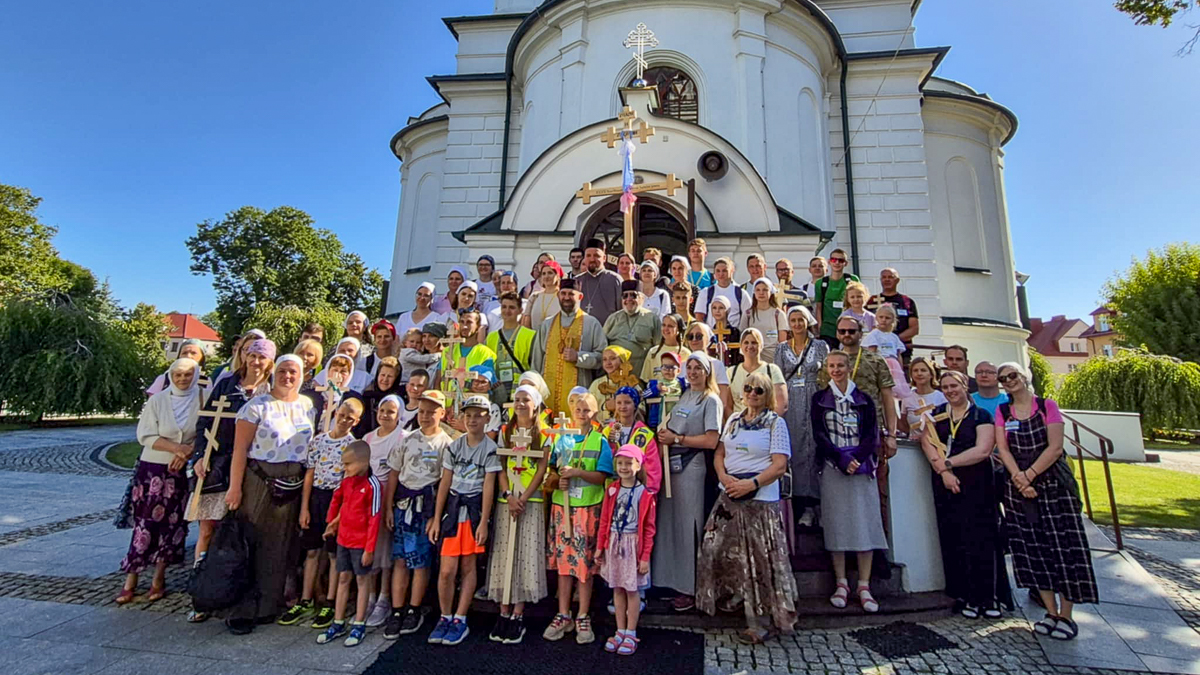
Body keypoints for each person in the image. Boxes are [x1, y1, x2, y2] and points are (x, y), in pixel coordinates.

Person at [994, 362, 1097, 641]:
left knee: (1064, 548)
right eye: (1003, 378)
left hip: (1052, 486)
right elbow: (1002, 447)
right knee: (1031, 550)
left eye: (1012, 375)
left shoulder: (1046, 406)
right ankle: (1050, 611)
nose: (1008, 381)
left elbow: (1055, 447)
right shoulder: (1003, 411)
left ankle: (1067, 614)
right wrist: (1019, 478)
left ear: (1025, 376)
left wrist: (1029, 475)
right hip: (1019, 489)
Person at [697, 371, 796, 644]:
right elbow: (720, 452)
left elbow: (779, 465)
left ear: (767, 396)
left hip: (759, 500)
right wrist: (724, 477)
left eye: (759, 390)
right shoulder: (733, 420)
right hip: (729, 494)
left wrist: (751, 484)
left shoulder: (775, 423)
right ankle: (729, 600)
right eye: (749, 388)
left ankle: (760, 623)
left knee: (758, 563)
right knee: (713, 547)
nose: (752, 393)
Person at [223, 354, 316, 635]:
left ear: (302, 376)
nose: (289, 376)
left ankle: (267, 606)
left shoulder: (307, 406)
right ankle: (242, 607)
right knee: (252, 542)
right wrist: (235, 487)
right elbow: (240, 450)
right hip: (259, 479)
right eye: (284, 371)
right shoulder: (256, 407)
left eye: (294, 372)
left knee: (279, 546)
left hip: (292, 482)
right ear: (275, 373)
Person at [187, 338, 274, 622]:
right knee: (209, 529)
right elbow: (205, 421)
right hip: (219, 464)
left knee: (246, 533)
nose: (256, 362)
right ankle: (202, 592)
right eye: (252, 356)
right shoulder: (227, 384)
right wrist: (201, 455)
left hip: (255, 470)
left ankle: (240, 592)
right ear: (245, 356)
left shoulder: (272, 390)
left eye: (262, 358)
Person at [919, 370, 1011, 619]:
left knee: (982, 537)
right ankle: (965, 595)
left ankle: (989, 597)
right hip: (947, 483)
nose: (950, 391)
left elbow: (982, 449)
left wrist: (949, 464)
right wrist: (942, 471)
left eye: (954, 386)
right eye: (946, 387)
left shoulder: (980, 414)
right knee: (954, 537)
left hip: (976, 480)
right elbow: (927, 440)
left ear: (964, 386)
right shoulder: (937, 414)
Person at [116, 358, 201, 605]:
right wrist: (177, 448)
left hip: (180, 471)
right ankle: (131, 579)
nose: (183, 379)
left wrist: (187, 453)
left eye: (188, 375)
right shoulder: (158, 400)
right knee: (145, 523)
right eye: (178, 375)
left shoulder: (203, 398)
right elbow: (145, 434)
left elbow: (207, 431)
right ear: (170, 376)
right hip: (153, 468)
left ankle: (158, 579)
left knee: (172, 526)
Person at [812, 351, 887, 614]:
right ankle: (841, 582)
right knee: (837, 524)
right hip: (834, 467)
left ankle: (864, 585)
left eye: (840, 365)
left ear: (848, 368)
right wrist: (840, 458)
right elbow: (819, 434)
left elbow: (871, 434)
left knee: (865, 523)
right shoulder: (820, 399)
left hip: (861, 466)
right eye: (831, 366)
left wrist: (856, 457)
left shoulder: (863, 399)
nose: (836, 370)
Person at [427, 394, 501, 646]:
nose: (472, 420)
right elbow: (445, 482)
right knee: (447, 569)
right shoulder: (454, 447)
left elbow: (489, 487)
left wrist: (483, 522)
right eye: (468, 415)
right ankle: (445, 615)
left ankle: (460, 617)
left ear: (487, 418)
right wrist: (436, 518)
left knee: (469, 566)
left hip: (473, 512)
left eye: (478, 415)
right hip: (453, 510)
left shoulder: (491, 450)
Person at [281, 398, 362, 628]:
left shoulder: (352, 446)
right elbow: (309, 474)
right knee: (312, 552)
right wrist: (304, 507)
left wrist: (338, 516)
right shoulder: (318, 441)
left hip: (337, 501)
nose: (345, 420)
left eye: (350, 418)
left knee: (334, 555)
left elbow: (349, 482)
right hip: (317, 497)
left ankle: (330, 600)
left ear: (356, 422)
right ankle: (306, 598)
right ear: (336, 413)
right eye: (342, 415)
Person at [653, 352, 723, 612]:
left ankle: (690, 586)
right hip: (670, 467)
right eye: (689, 367)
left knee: (688, 525)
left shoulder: (710, 400)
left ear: (707, 372)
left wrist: (677, 440)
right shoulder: (684, 395)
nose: (692, 372)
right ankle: (667, 580)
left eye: (698, 368)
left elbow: (711, 440)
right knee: (670, 524)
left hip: (691, 467)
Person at [542, 393, 614, 644]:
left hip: (588, 508)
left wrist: (578, 472)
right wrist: (558, 478)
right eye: (578, 409)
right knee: (563, 563)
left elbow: (603, 475)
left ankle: (583, 613)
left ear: (595, 414)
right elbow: (552, 468)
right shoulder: (563, 439)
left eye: (587, 410)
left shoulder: (599, 441)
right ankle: (563, 613)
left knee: (584, 565)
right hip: (563, 507)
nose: (582, 414)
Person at [383, 390, 453, 639]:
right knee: (400, 559)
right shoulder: (407, 439)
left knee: (420, 561)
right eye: (422, 411)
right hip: (403, 504)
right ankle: (397, 609)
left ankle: (415, 608)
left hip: (425, 508)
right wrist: (389, 505)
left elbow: (445, 482)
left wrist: (436, 516)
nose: (425, 416)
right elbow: (393, 472)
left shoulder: (447, 444)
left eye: (432, 412)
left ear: (442, 413)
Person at [820, 316, 899, 532]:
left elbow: (887, 397)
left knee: (876, 493)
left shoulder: (874, 360)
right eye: (842, 331)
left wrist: (891, 434)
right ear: (837, 333)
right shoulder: (830, 362)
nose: (846, 335)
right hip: (838, 438)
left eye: (851, 331)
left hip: (870, 436)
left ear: (860, 334)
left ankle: (878, 552)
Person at [486, 386, 551, 644]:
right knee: (505, 553)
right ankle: (503, 609)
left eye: (526, 400)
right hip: (508, 500)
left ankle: (518, 613)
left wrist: (522, 498)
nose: (521, 404)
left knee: (525, 553)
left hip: (529, 501)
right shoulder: (505, 431)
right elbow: (500, 465)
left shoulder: (544, 434)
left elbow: (541, 467)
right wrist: (508, 495)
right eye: (517, 400)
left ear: (535, 405)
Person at [316, 440, 383, 648]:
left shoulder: (373, 485)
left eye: (348, 464)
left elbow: (374, 518)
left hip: (361, 541)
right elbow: (340, 503)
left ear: (363, 462)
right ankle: (338, 621)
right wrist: (331, 524)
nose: (345, 469)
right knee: (343, 577)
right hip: (343, 538)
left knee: (362, 580)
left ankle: (360, 623)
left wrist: (369, 548)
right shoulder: (346, 482)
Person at [597, 444, 657, 656]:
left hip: (633, 545)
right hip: (614, 542)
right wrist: (600, 547)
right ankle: (619, 629)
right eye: (620, 463)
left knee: (632, 590)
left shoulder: (645, 494)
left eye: (628, 463)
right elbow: (604, 520)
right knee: (617, 588)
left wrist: (645, 557)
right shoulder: (612, 489)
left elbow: (649, 529)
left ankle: (631, 631)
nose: (623, 467)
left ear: (638, 465)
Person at [774, 306, 828, 529]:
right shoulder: (781, 348)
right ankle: (800, 504)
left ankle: (817, 503)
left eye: (800, 320)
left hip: (814, 401)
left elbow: (826, 374)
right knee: (795, 450)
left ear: (808, 321)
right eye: (793, 320)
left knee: (815, 450)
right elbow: (777, 377)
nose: (796, 324)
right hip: (791, 404)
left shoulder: (820, 346)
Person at [530, 278, 608, 413]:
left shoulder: (591, 323)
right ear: (558, 295)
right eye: (563, 293)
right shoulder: (547, 325)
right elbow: (537, 361)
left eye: (571, 294)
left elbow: (603, 358)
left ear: (580, 296)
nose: (566, 298)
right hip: (548, 394)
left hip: (580, 395)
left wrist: (579, 357)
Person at [363, 395, 406, 626]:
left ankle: (384, 597)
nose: (385, 415)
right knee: (369, 550)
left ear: (398, 415)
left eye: (390, 411)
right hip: (368, 502)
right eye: (382, 410)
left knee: (386, 552)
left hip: (390, 499)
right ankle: (369, 597)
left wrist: (388, 505)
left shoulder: (402, 438)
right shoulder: (368, 438)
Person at [605, 386, 662, 493]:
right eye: (619, 403)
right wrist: (611, 443)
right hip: (612, 488)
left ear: (635, 405)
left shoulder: (645, 433)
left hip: (638, 488)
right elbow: (604, 459)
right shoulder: (608, 431)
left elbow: (653, 466)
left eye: (627, 402)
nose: (623, 406)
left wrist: (650, 491)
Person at [438, 308, 496, 410]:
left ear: (478, 327)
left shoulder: (486, 354)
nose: (464, 326)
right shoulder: (448, 351)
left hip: (470, 409)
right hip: (445, 408)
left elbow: (482, 387)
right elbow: (438, 380)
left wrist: (457, 407)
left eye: (469, 322)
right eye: (462, 322)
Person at [603, 279, 662, 377]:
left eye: (633, 295)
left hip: (641, 375)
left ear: (642, 298)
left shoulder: (652, 318)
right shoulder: (613, 318)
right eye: (625, 296)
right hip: (615, 375)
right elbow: (602, 346)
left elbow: (658, 348)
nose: (629, 299)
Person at [486, 291, 537, 405]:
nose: (507, 311)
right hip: (498, 391)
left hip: (521, 391)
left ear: (520, 310)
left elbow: (535, 367)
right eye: (504, 307)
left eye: (512, 307)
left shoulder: (530, 335)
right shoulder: (491, 337)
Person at [727, 328, 786, 416]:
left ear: (761, 345)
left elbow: (781, 404)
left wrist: (768, 423)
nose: (750, 346)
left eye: (754, 342)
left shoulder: (772, 370)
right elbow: (727, 405)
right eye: (746, 343)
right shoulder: (731, 372)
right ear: (741, 346)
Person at [866, 268, 920, 359]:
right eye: (884, 277)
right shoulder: (871, 301)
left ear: (897, 280)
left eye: (890, 277)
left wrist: (893, 339)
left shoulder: (907, 302)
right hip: (876, 350)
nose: (887, 279)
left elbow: (914, 328)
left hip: (902, 350)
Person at [814, 248, 859, 348]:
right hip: (828, 330)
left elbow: (858, 302)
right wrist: (820, 327)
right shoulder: (821, 283)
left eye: (841, 260)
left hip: (848, 329)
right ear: (829, 262)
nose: (837, 263)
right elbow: (819, 306)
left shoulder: (852, 279)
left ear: (845, 263)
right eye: (834, 260)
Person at [574, 238, 623, 323]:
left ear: (604, 258)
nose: (592, 259)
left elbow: (621, 311)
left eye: (596, 256)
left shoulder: (615, 280)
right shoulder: (576, 281)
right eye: (588, 256)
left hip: (608, 333)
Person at [695, 257, 752, 328]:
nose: (721, 274)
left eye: (724, 271)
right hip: (712, 336)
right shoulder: (706, 292)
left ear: (731, 271)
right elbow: (699, 316)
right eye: (718, 271)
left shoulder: (741, 293)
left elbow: (748, 315)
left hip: (734, 336)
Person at [741, 277, 788, 363]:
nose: (761, 293)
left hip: (773, 358)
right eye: (758, 290)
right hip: (753, 357)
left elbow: (782, 342)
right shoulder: (748, 314)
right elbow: (743, 337)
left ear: (771, 292)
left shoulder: (779, 314)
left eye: (765, 290)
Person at [899, 357, 946, 438]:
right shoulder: (907, 398)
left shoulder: (941, 397)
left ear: (931, 374)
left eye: (923, 370)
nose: (919, 373)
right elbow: (904, 424)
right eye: (915, 370)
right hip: (913, 443)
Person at [356, 356, 403, 437]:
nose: (385, 379)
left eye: (390, 376)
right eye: (383, 375)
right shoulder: (367, 396)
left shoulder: (399, 401)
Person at [640, 313, 690, 383]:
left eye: (670, 326)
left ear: (678, 330)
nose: (666, 329)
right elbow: (646, 379)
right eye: (663, 325)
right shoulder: (653, 351)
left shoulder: (686, 353)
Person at [523, 260, 563, 330]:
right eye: (544, 273)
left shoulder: (563, 297)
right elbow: (526, 322)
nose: (546, 276)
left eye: (550, 273)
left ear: (557, 276)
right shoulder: (535, 296)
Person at [483, 271, 521, 336]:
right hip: (493, 342)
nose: (506, 286)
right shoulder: (489, 304)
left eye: (509, 283)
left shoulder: (524, 304)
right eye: (503, 283)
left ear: (516, 285)